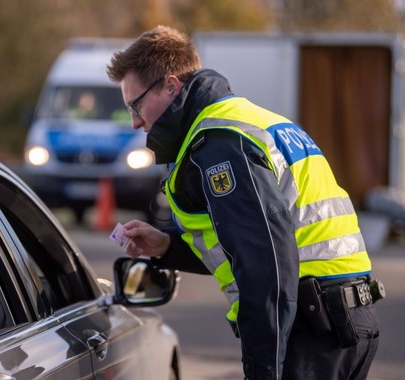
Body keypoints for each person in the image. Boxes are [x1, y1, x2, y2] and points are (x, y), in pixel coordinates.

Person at [107, 25, 382, 380]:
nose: (135, 121)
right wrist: (167, 247)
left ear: (171, 86)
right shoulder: (253, 121)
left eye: (136, 104)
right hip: (340, 323)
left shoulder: (221, 141)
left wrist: (263, 369)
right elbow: (253, 244)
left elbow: (265, 262)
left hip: (310, 330)